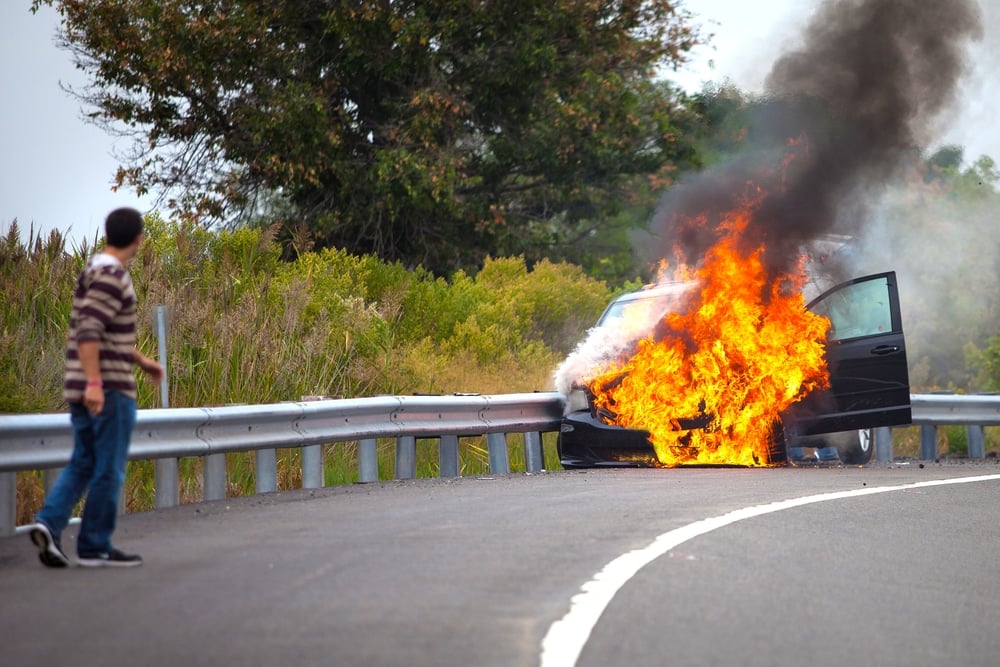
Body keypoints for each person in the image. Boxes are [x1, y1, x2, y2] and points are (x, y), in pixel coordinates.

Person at [30, 208, 164, 568]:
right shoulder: (113, 275)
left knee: (84, 461)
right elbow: (89, 330)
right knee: (109, 467)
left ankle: (49, 523)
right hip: (106, 389)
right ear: (138, 238)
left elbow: (100, 331)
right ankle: (94, 545)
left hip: (82, 383)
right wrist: (95, 384)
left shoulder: (91, 270)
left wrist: (142, 361)